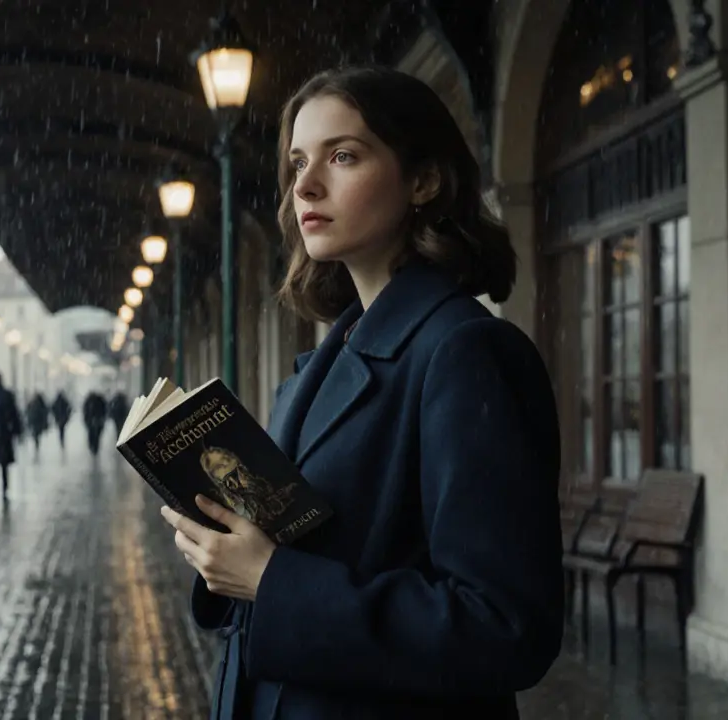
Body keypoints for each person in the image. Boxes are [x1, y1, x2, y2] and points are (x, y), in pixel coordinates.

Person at [160, 65, 563, 718]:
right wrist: (225, 553)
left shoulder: (465, 352)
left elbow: (505, 626)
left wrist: (272, 580)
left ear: (424, 181)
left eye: (343, 156)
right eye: (297, 163)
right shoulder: (330, 355)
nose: (306, 185)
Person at [81, 390, 108, 456]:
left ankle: (93, 447)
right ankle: (95, 447)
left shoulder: (89, 401)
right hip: (96, 421)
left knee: (92, 435)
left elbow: (85, 411)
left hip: (93, 421)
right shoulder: (100, 401)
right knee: (96, 435)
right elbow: (104, 410)